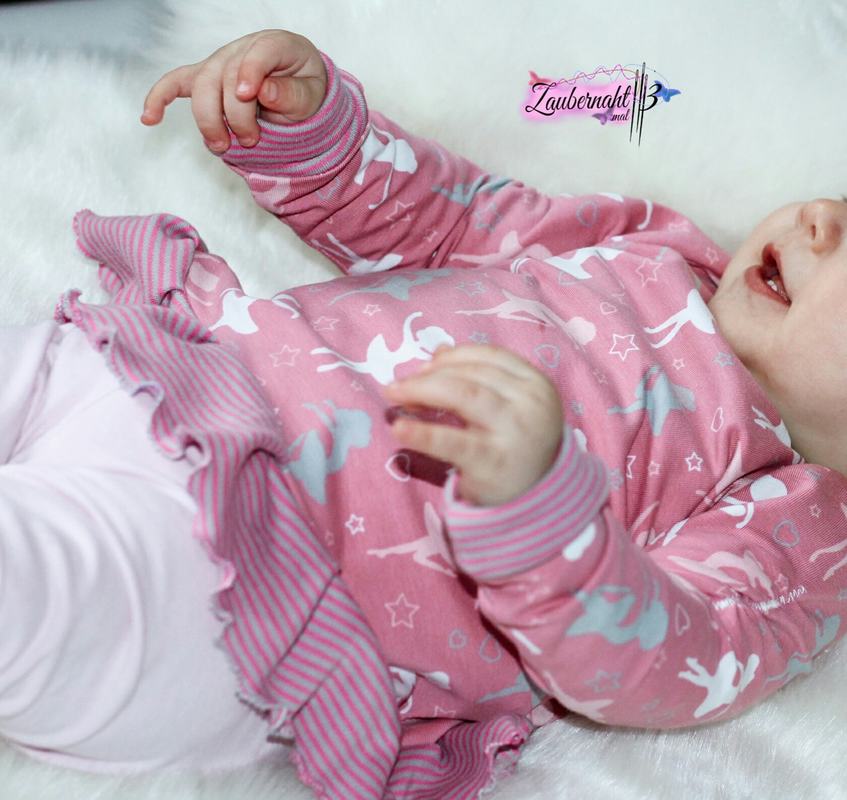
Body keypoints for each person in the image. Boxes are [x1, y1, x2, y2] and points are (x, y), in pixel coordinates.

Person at [1, 27, 845, 800]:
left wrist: (540, 514)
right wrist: (322, 139)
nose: (822, 217)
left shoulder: (801, 525)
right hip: (165, 369)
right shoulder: (656, 246)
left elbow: (669, 658)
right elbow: (456, 220)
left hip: (250, 572)